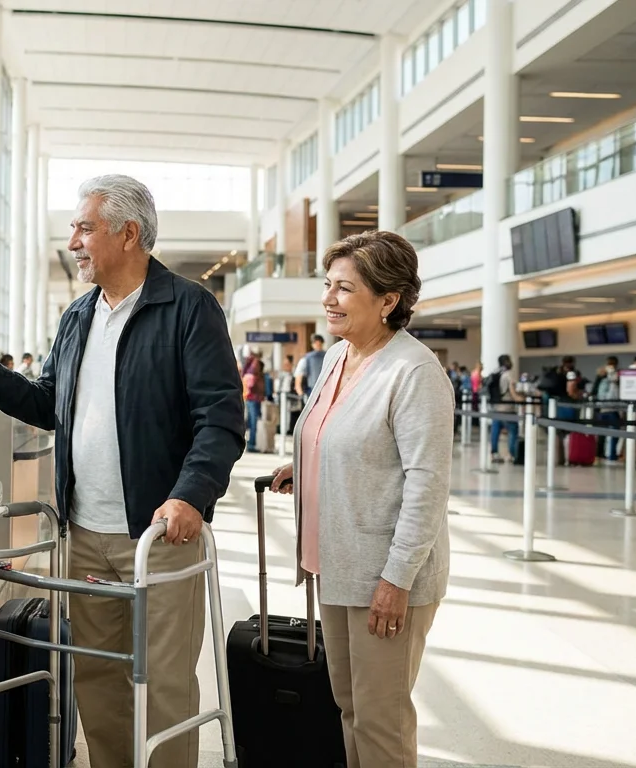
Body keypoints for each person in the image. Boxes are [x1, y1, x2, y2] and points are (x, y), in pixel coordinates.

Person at [0, 174, 243, 768]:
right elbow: (48, 403)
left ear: (128, 234)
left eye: (84, 227)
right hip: (85, 534)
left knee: (167, 688)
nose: (72, 240)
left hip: (159, 535)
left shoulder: (189, 307)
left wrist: (190, 496)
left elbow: (220, 420)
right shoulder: (77, 316)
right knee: (96, 681)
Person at [267, 230, 452, 768]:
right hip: (339, 565)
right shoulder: (337, 358)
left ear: (388, 300)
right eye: (327, 285)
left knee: (381, 718)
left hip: (386, 578)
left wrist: (396, 581)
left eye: (344, 288)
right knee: (349, 706)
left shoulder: (413, 372)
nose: (328, 298)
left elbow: (427, 485)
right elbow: (338, 435)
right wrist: (303, 468)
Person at [485, 354, 522, 463]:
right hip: (508, 409)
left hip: (496, 408)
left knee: (495, 432)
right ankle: (512, 454)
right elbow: (513, 393)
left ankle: (494, 454)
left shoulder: (495, 373)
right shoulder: (508, 375)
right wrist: (520, 399)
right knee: (513, 431)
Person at [243, 351, 267, 453]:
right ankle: (251, 444)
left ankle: (250, 443)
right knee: (253, 423)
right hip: (254, 399)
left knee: (250, 422)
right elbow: (252, 385)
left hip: (249, 399)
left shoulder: (247, 369)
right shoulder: (254, 370)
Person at [295, 334, 327, 399]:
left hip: (326, 388)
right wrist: (301, 394)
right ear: (312, 345)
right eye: (316, 343)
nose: (318, 345)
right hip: (312, 389)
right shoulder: (307, 358)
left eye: (319, 343)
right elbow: (299, 376)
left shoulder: (328, 356)